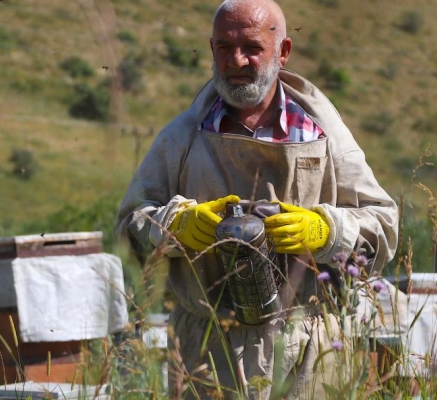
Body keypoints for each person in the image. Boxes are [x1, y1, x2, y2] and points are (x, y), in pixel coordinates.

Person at [116, 0, 398, 398]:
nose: (237, 60)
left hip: (309, 347)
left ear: (282, 52)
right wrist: (175, 226)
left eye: (251, 47)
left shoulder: (324, 135)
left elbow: (384, 224)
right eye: (224, 47)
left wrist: (325, 231)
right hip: (206, 348)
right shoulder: (181, 137)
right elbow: (128, 226)